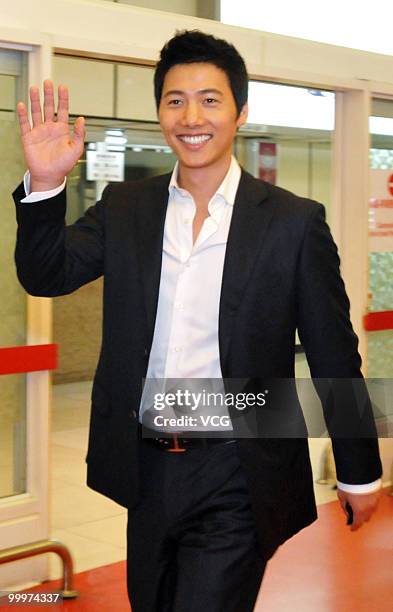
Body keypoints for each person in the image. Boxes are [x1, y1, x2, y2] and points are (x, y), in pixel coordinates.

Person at [13, 30, 382, 612]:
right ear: (160, 111)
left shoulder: (292, 224)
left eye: (210, 99)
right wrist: (46, 184)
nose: (192, 116)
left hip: (239, 466)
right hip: (146, 465)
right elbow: (46, 274)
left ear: (239, 112)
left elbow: (334, 351)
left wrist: (359, 472)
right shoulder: (126, 207)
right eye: (175, 100)